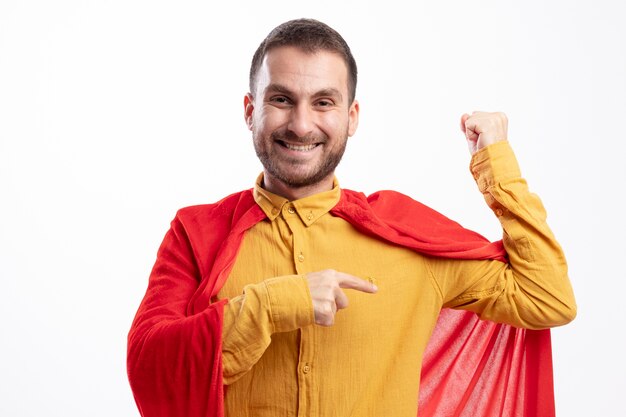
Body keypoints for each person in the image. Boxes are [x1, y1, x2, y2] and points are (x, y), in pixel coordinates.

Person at [127, 18, 576, 417]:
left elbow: (548, 299)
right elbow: (149, 367)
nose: (301, 125)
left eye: (324, 102)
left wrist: (495, 163)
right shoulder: (195, 233)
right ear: (250, 111)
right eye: (282, 99)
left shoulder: (405, 235)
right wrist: (271, 304)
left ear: (352, 116)